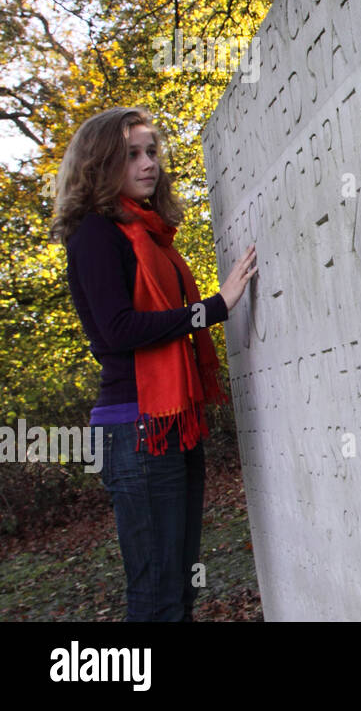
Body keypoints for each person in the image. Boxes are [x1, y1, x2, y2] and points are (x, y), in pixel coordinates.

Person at [50, 106, 257, 621]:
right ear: (101, 163)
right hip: (135, 427)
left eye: (151, 151)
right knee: (157, 596)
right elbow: (118, 330)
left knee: (179, 591)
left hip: (172, 422)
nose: (148, 164)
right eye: (131, 154)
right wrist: (213, 308)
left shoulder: (151, 233)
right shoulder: (95, 234)